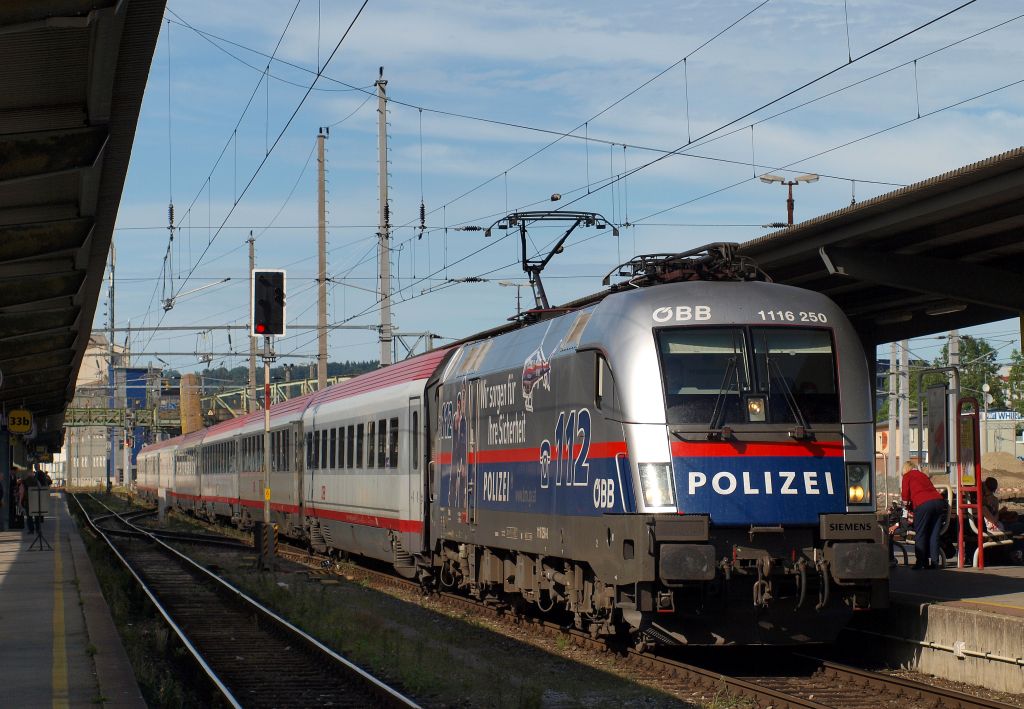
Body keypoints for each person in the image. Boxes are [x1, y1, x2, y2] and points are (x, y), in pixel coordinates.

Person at [900, 461, 947, 569]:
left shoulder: (907, 476)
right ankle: (935, 563)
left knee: (920, 533)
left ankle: (921, 562)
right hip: (939, 502)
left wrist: (907, 506)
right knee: (934, 535)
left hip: (923, 504)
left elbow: (905, 498)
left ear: (905, 469)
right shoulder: (923, 475)